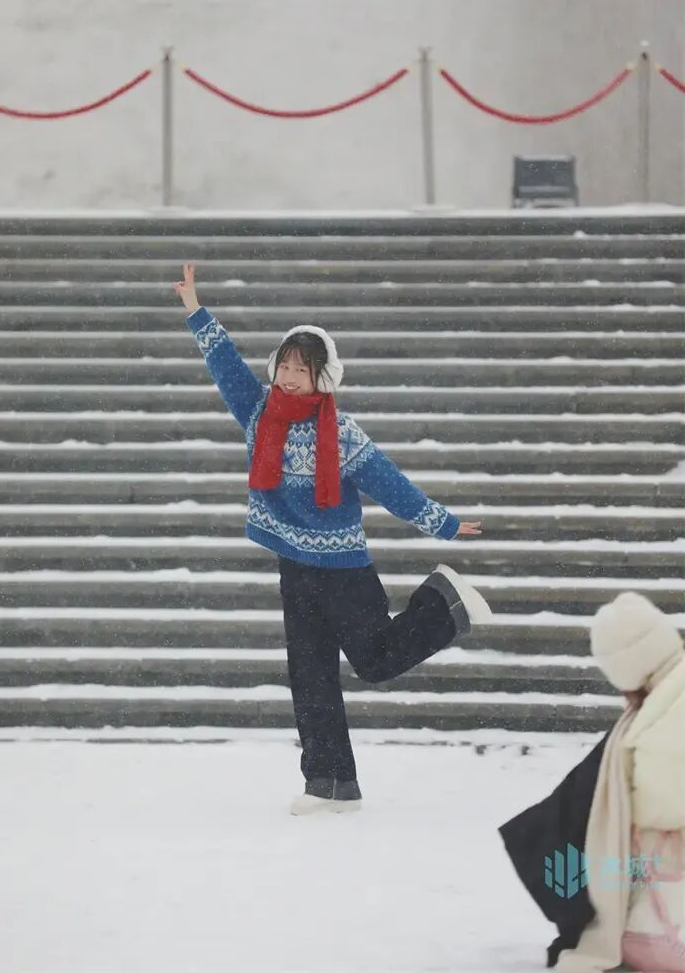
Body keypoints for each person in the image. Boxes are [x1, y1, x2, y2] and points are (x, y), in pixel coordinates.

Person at [173, 261, 493, 815]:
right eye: (286, 366)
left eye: (303, 369)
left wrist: (440, 521)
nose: (291, 377)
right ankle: (329, 784)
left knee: (373, 661)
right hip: (293, 566)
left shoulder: (340, 433)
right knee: (310, 674)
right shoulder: (258, 412)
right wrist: (197, 310)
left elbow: (387, 481)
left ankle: (447, 605)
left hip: (344, 569)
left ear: (324, 377)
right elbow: (224, 366)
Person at [500, 592, 685, 972]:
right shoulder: (670, 692)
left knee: (576, 838)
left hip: (666, 879)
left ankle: (560, 881)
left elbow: (662, 808)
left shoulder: (666, 715)